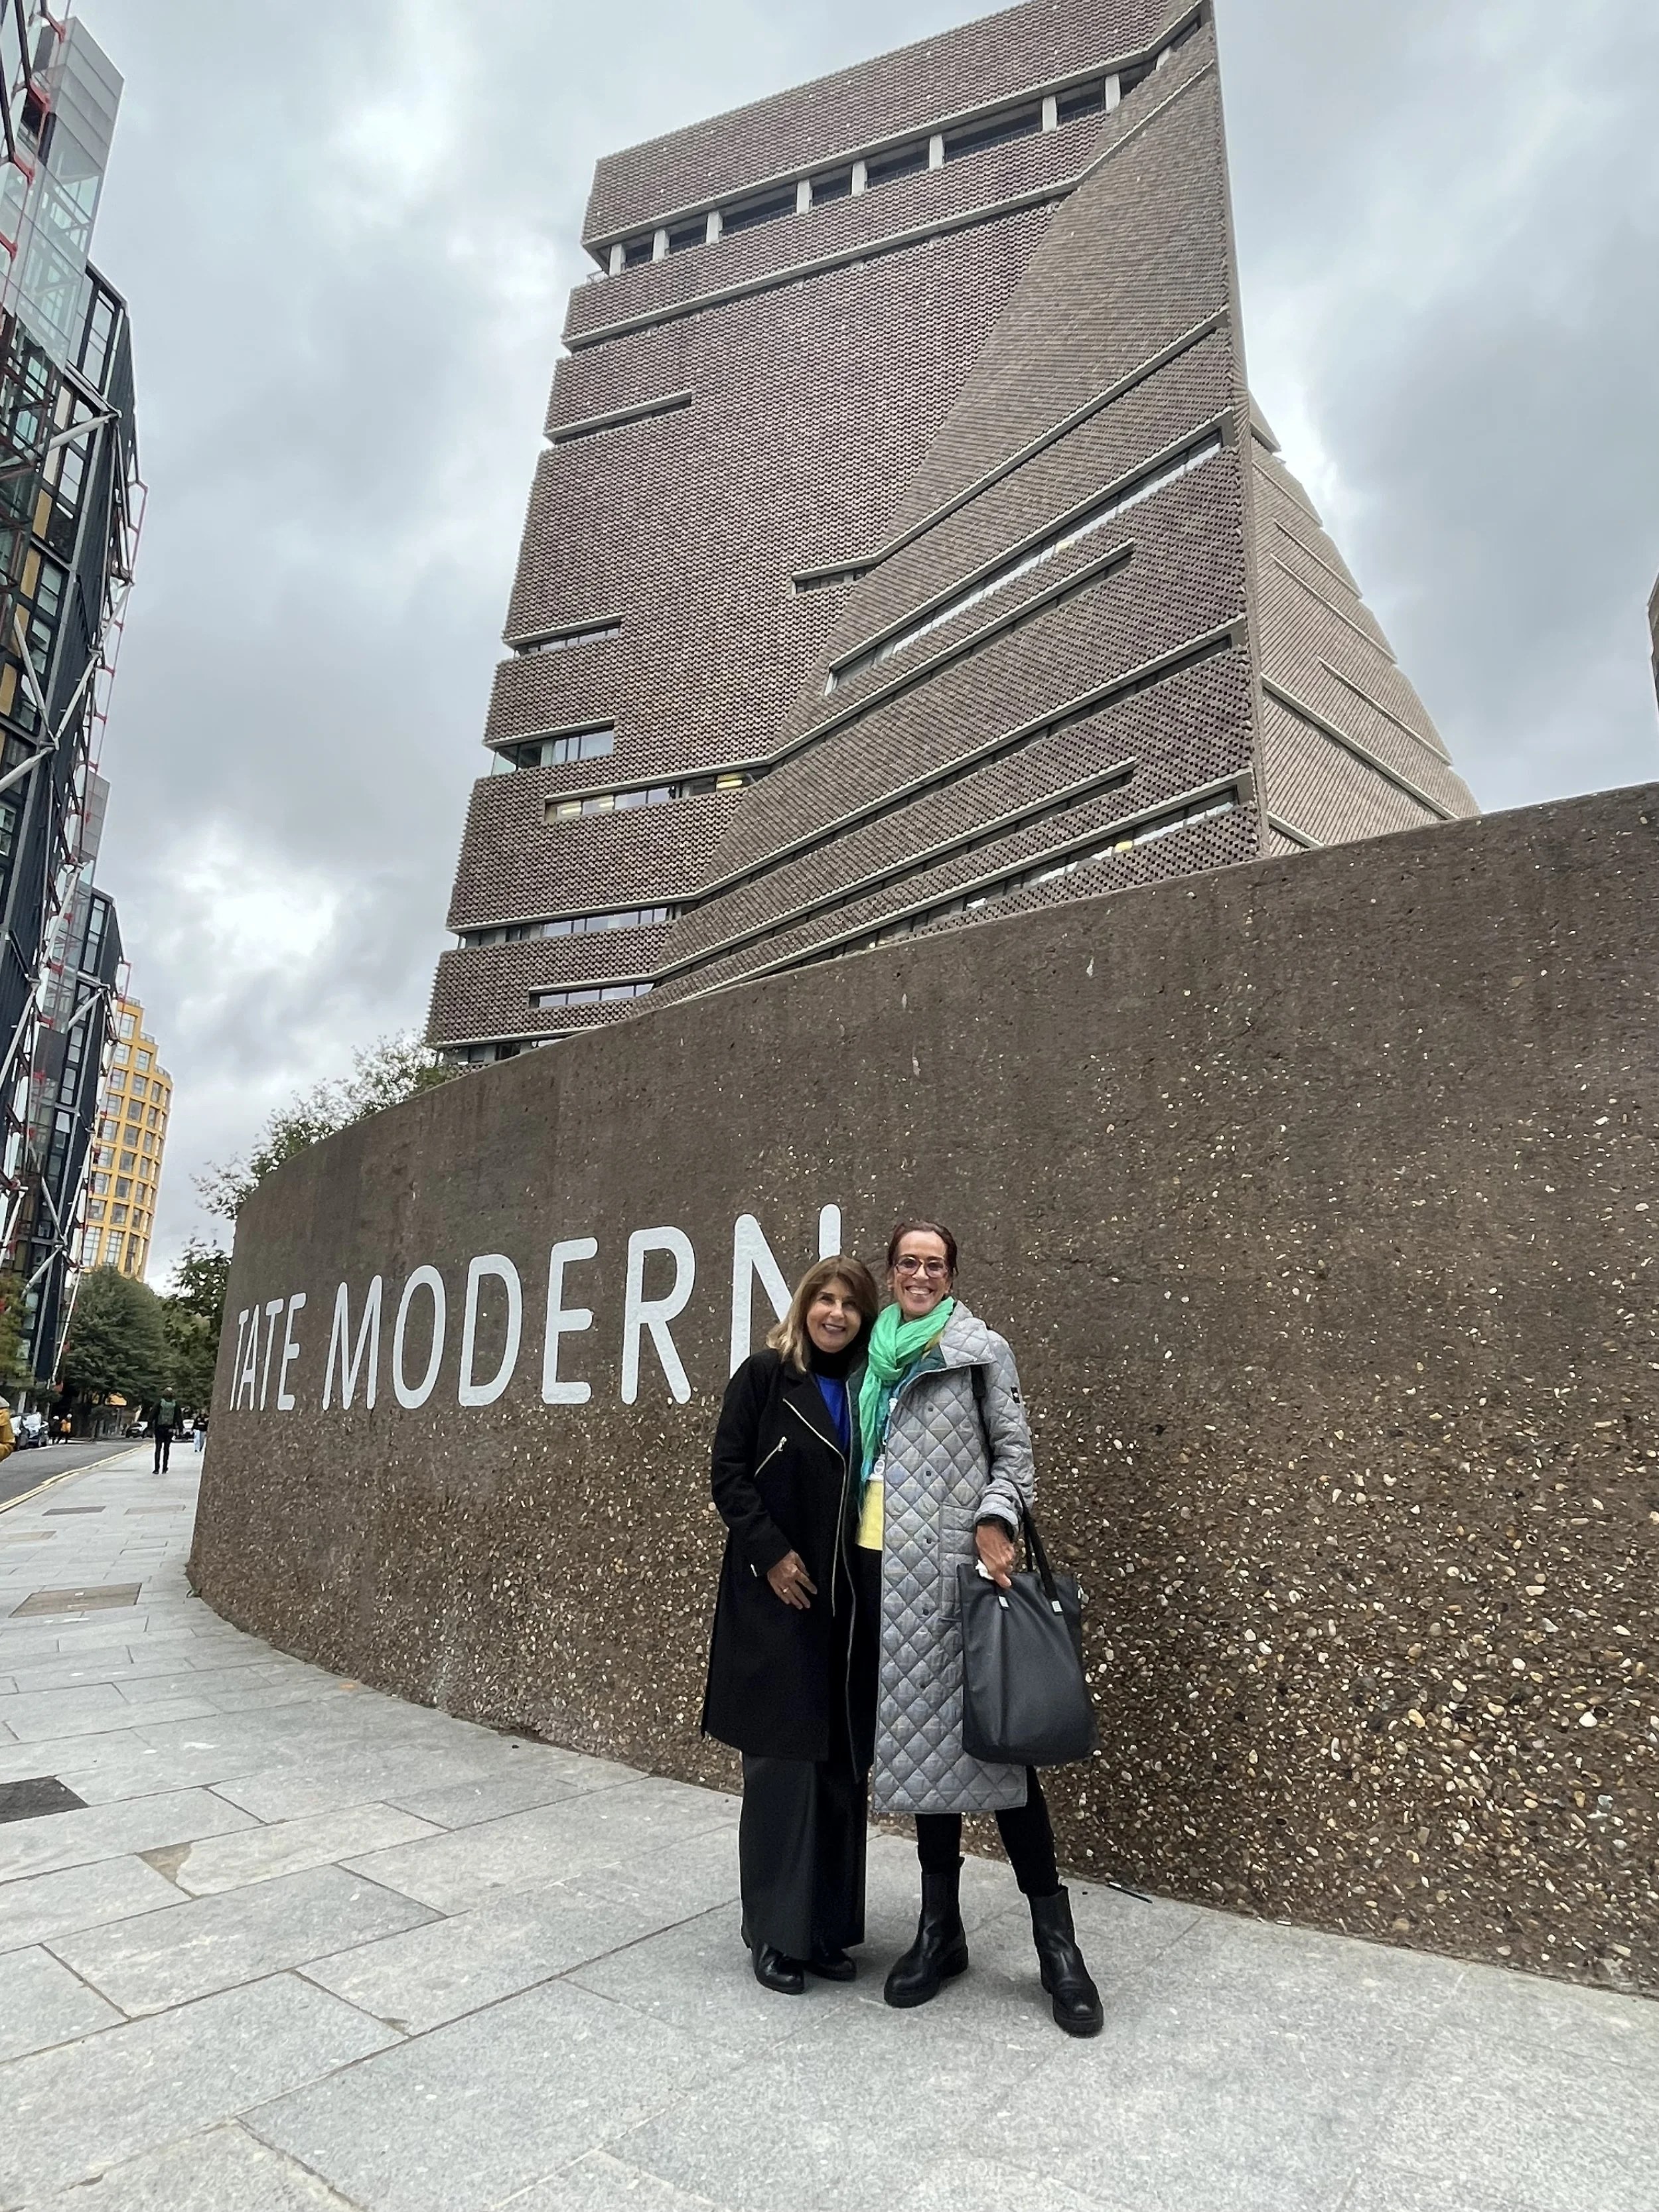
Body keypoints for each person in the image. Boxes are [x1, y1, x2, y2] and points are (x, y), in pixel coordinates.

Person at [861, 1219, 1103, 2037]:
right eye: (907, 1262)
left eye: (933, 1263)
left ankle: (1056, 1944)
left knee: (1003, 1762)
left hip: (963, 1580)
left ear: (951, 1273)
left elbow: (1015, 1455)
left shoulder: (979, 1349)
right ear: (888, 1271)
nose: (919, 1274)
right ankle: (941, 1931)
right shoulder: (871, 1355)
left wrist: (996, 1517)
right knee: (928, 1764)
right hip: (886, 1586)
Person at [703, 1256, 881, 1994]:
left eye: (849, 1305)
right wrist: (772, 1553)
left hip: (847, 1606)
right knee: (782, 1767)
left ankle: (825, 1931)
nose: (834, 1313)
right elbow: (727, 1473)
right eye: (824, 1299)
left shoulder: (871, 1391)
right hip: (781, 1600)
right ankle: (774, 1933)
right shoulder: (765, 1376)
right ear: (804, 1305)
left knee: (839, 1767)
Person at [152, 1396, 177, 1473]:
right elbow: (178, 1416)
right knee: (167, 1449)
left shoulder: (159, 1403)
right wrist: (179, 1427)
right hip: (169, 1429)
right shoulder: (175, 1404)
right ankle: (165, 1468)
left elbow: (153, 1414)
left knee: (158, 1448)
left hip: (159, 1428)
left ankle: (156, 1469)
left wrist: (150, 1426)